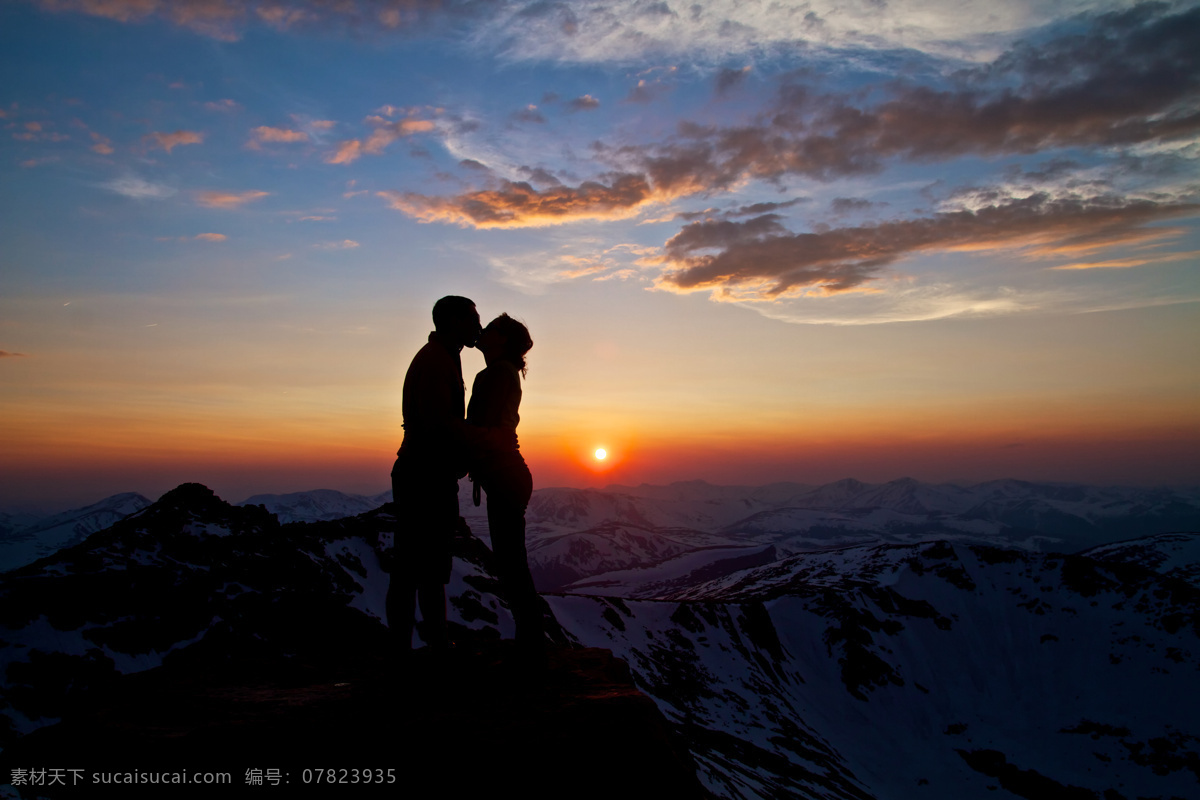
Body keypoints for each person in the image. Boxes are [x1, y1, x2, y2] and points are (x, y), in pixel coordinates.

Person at [386, 295, 481, 655]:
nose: (478, 325)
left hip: (423, 471)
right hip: (425, 474)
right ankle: (424, 647)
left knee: (420, 563)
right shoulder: (438, 362)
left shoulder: (442, 357)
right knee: (418, 565)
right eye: (472, 318)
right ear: (454, 322)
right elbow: (438, 425)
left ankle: (421, 645)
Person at [467, 314, 545, 657]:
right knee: (512, 564)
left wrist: (453, 434)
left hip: (504, 474)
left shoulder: (496, 373)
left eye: (492, 328)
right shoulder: (502, 373)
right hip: (507, 475)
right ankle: (530, 643)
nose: (483, 331)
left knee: (511, 566)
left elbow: (491, 430)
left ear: (502, 340)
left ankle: (531, 646)